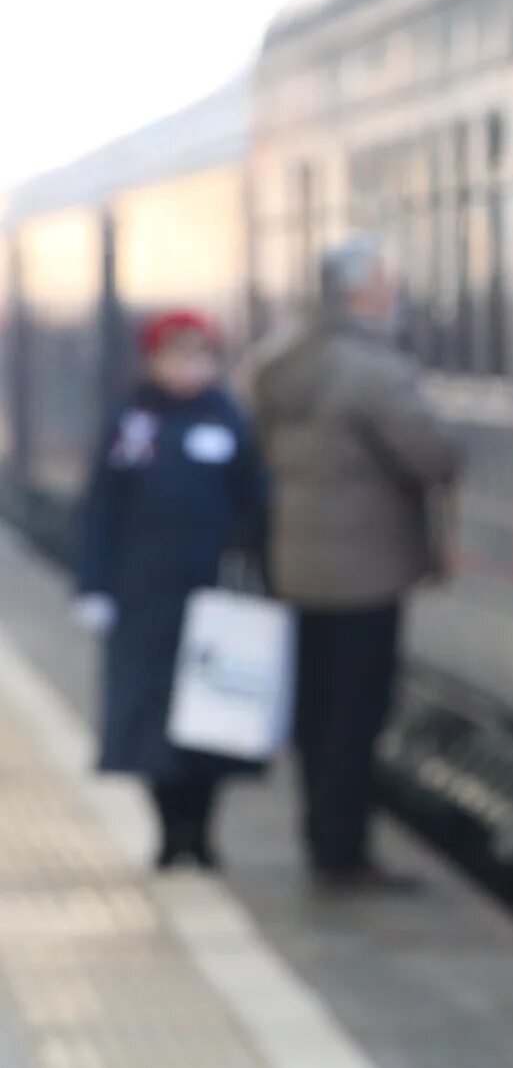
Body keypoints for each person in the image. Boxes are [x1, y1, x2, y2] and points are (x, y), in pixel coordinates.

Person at [248, 236, 461, 889]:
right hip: (365, 571)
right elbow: (432, 455)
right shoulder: (370, 368)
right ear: (363, 291)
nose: (395, 292)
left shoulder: (278, 360)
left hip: (294, 564)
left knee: (315, 713)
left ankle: (322, 838)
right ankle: (344, 854)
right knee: (357, 715)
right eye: (387, 281)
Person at [73, 311, 270, 870]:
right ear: (154, 361)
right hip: (144, 597)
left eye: (198, 357)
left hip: (214, 595)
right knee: (149, 722)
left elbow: (258, 502)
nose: (188, 369)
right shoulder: (131, 425)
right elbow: (101, 510)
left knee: (211, 723)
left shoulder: (229, 421)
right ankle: (168, 831)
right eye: (176, 357)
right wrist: (94, 586)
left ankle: (202, 832)